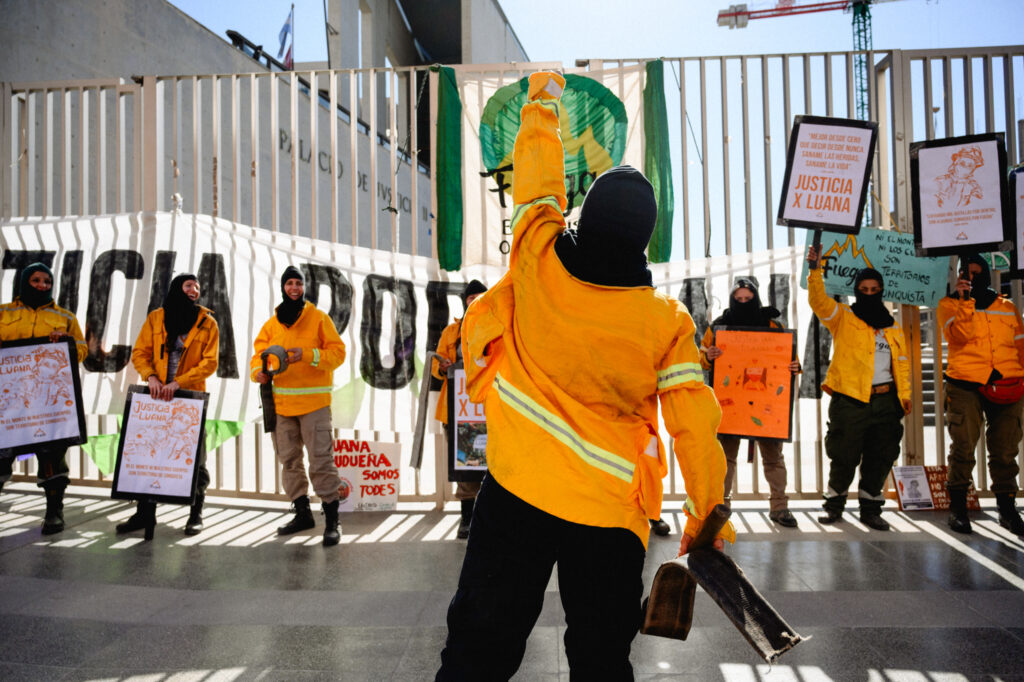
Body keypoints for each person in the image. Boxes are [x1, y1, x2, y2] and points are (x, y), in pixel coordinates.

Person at [436, 72, 733, 681]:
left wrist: (542, 106)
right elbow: (695, 426)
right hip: (607, 512)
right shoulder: (665, 321)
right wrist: (706, 515)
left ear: (587, 216)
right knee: (600, 659)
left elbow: (539, 185)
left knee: (478, 651)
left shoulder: (539, 257)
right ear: (644, 241)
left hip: (519, 487)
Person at [807, 244, 911, 530]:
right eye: (863, 289)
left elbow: (901, 363)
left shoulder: (892, 326)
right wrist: (814, 271)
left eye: (873, 289)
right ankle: (834, 506)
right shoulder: (843, 317)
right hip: (850, 399)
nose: (868, 293)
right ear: (856, 290)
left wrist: (904, 396)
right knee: (843, 455)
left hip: (885, 400)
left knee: (881, 455)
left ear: (881, 290)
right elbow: (818, 302)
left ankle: (871, 509)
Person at [117, 273, 219, 536]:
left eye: (197, 286)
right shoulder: (156, 318)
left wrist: (179, 382)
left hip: (188, 400)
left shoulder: (208, 322)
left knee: (194, 457)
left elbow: (209, 362)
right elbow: (140, 352)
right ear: (176, 288)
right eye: (188, 285)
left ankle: (195, 512)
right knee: (148, 453)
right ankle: (144, 514)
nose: (194, 289)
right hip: (156, 398)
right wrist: (150, 377)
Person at [251, 266, 347, 547]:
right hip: (282, 405)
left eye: (298, 283)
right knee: (289, 461)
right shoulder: (272, 324)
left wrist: (306, 354)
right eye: (289, 283)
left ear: (304, 287)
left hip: (314, 404)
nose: (294, 288)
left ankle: (332, 521)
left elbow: (338, 353)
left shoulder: (317, 318)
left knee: (321, 461)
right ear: (283, 287)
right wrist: (258, 370)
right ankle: (302, 513)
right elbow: (258, 355)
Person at [700, 277, 802, 527]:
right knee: (725, 458)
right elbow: (701, 355)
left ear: (756, 299)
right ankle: (721, 506)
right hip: (730, 402)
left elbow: (790, 359)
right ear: (732, 299)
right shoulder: (719, 326)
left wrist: (795, 366)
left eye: (748, 299)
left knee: (773, 457)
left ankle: (779, 506)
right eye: (739, 299)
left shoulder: (773, 326)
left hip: (766, 403)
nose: (743, 303)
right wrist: (708, 356)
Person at [937, 254, 1024, 536]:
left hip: (1008, 383)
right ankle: (959, 509)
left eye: (977, 273)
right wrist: (965, 302)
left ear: (987, 274)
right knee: (963, 447)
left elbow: (1020, 345)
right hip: (966, 383)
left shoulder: (1007, 306)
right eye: (967, 273)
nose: (972, 278)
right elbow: (959, 336)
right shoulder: (948, 304)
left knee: (1006, 449)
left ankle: (1007, 510)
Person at [0, 263, 87, 534]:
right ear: (24, 282)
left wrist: (67, 342)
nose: (41, 285)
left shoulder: (65, 316)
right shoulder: (4, 312)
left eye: (47, 281)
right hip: (10, 401)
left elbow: (82, 350)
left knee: (52, 456)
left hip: (47, 404)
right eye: (36, 280)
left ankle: (54, 513)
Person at [431, 279, 488, 539]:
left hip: (489, 408)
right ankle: (466, 520)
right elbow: (438, 366)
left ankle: (488, 520)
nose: (474, 300)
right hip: (459, 410)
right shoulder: (451, 331)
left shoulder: (497, 326)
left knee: (492, 465)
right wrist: (441, 367)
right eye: (470, 297)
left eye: (479, 296)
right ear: (464, 301)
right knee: (467, 466)